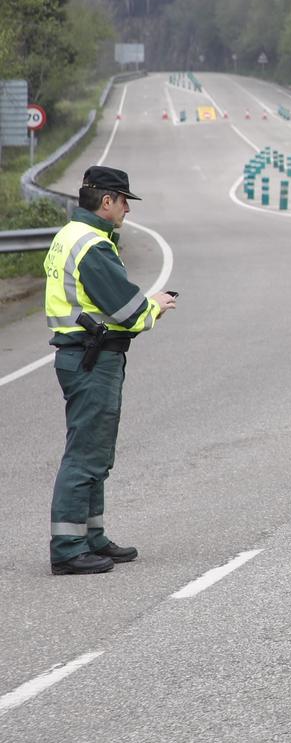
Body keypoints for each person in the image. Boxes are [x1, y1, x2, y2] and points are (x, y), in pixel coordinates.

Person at [44, 165, 177, 575]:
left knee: (95, 451)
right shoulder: (93, 247)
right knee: (86, 455)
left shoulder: (71, 235)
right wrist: (155, 303)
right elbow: (129, 311)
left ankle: (91, 536)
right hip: (91, 357)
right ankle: (68, 547)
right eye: (124, 202)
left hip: (83, 354)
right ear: (107, 201)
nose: (126, 211)